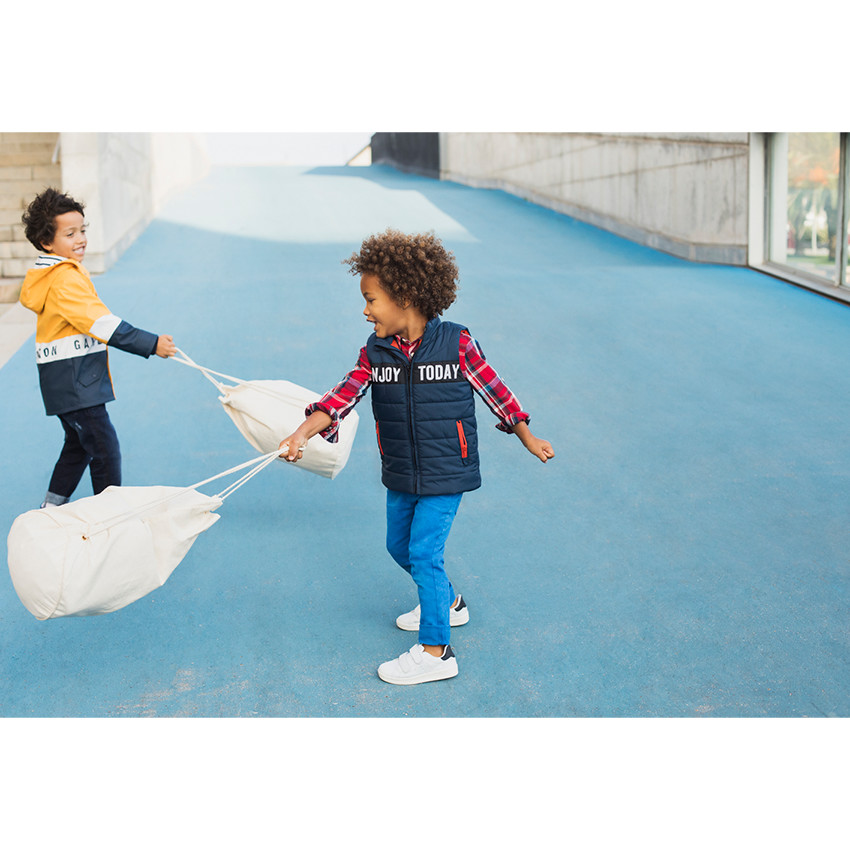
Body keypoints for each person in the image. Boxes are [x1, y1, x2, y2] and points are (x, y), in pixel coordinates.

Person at [279, 228, 554, 685]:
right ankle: (447, 602)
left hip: (448, 469)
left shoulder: (456, 343)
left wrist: (525, 433)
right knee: (398, 547)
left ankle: (436, 651)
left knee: (425, 552)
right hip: (402, 469)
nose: (365, 310)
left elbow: (495, 390)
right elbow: (341, 398)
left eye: (371, 299)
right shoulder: (376, 352)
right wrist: (302, 433)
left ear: (405, 295)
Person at [19, 188, 177, 508]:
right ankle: (109, 514)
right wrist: (151, 343)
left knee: (78, 446)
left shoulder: (51, 275)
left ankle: (51, 507)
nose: (81, 239)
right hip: (77, 384)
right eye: (70, 234)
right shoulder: (63, 279)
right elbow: (101, 323)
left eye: (82, 230)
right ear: (47, 242)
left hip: (64, 382)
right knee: (104, 448)